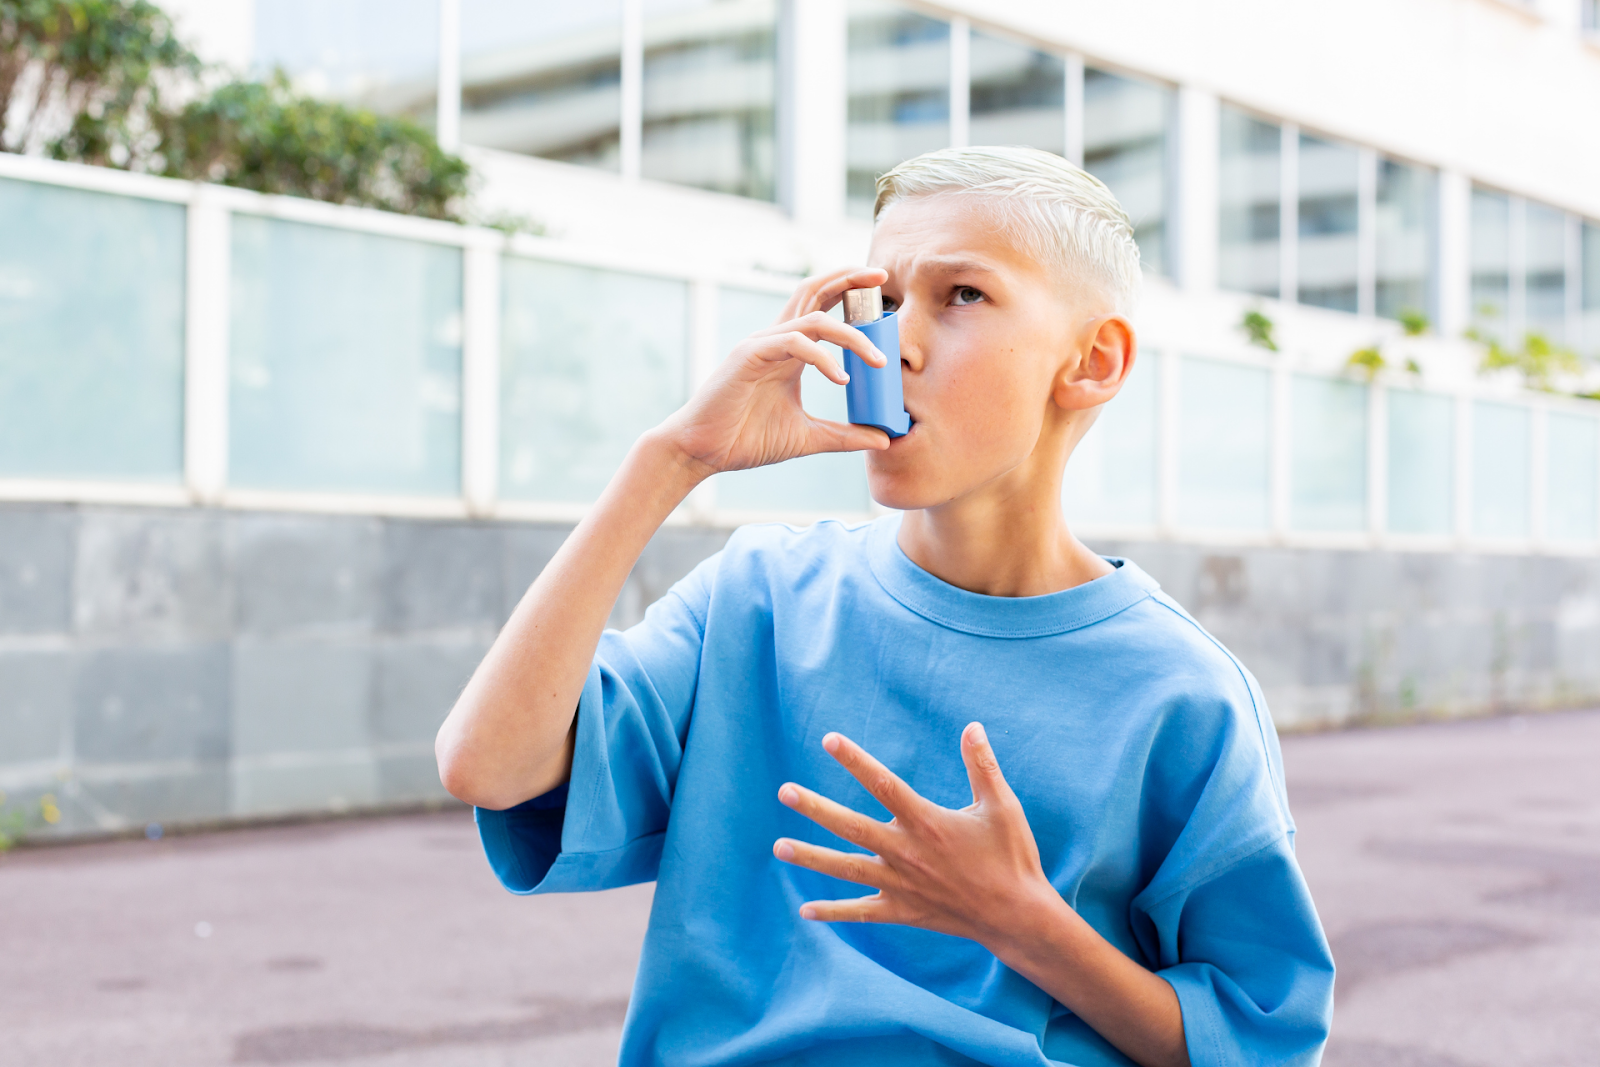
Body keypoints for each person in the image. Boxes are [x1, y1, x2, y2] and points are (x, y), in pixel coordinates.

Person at [434, 145, 1335, 1067]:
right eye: (882, 301)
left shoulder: (1183, 692)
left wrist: (1025, 922)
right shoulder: (757, 597)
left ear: (1093, 360)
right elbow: (485, 765)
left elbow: (1257, 1043)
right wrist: (673, 459)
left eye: (963, 295)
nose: (890, 342)